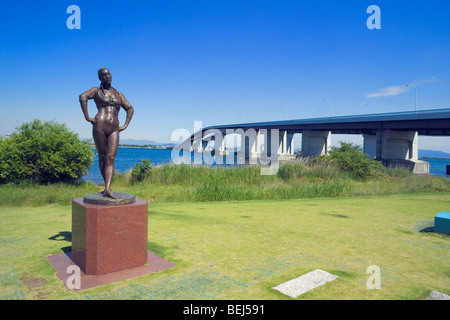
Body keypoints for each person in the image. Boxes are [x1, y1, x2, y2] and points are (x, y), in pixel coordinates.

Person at [79, 68, 134, 198]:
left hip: (114, 128)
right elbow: (83, 97)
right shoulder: (96, 91)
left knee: (110, 157)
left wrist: (125, 125)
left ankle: (108, 188)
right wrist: (87, 117)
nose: (107, 76)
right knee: (102, 156)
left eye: (108, 74)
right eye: (103, 75)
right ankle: (106, 187)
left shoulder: (118, 94)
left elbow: (130, 108)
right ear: (100, 78)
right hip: (100, 125)